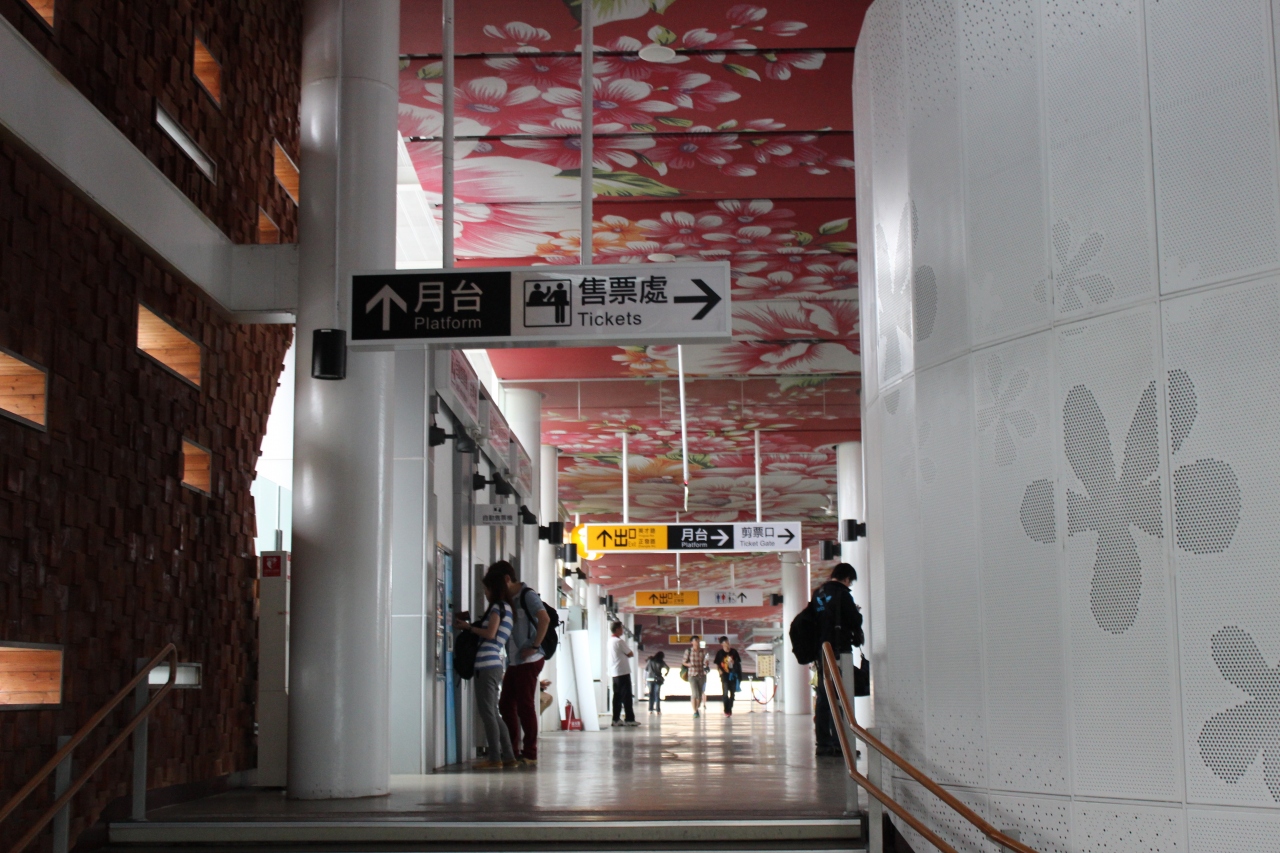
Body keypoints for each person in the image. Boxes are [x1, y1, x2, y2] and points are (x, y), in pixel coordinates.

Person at [456, 565, 517, 770]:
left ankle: (494, 757)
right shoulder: (508, 609)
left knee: (488, 713)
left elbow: (490, 634)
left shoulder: (497, 607)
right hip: (495, 663)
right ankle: (508, 755)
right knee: (493, 712)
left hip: (486, 663)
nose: (485, 593)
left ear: (494, 588)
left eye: (486, 589)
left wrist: (468, 628)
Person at [495, 561, 551, 765]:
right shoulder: (507, 599)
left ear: (507, 579)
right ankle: (512, 750)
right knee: (506, 704)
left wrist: (535, 646)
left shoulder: (528, 595)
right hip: (515, 660)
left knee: (525, 706)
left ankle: (530, 753)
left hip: (529, 658)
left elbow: (544, 619)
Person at [813, 562, 863, 757]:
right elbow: (855, 621)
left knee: (824, 697)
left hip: (821, 651)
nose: (849, 585)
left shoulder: (818, 594)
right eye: (850, 582)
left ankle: (823, 742)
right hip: (839, 651)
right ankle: (840, 743)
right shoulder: (842, 594)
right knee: (840, 696)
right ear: (847, 578)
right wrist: (855, 611)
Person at [608, 621, 639, 727]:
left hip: (614, 672)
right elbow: (630, 653)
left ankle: (615, 719)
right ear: (617, 629)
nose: (622, 630)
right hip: (623, 671)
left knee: (617, 697)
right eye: (621, 628)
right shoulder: (619, 641)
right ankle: (629, 719)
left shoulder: (610, 641)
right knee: (627, 696)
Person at [713, 636, 742, 717]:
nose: (728, 643)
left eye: (728, 641)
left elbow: (738, 662)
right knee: (725, 693)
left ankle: (729, 708)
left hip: (733, 675)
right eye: (726, 642)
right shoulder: (720, 653)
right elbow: (717, 664)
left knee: (732, 694)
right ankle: (726, 710)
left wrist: (733, 662)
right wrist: (719, 670)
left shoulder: (734, 652)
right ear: (722, 644)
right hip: (724, 675)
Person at [682, 635, 709, 718]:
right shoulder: (688, 651)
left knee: (700, 694)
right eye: (695, 640)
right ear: (692, 642)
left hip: (701, 675)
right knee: (695, 693)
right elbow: (684, 662)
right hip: (692, 674)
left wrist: (706, 664)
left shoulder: (703, 651)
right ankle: (695, 711)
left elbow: (706, 663)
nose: (697, 642)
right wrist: (688, 664)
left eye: (698, 640)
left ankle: (696, 708)